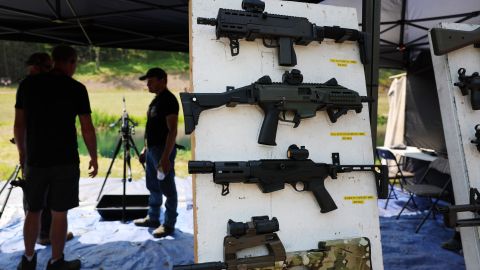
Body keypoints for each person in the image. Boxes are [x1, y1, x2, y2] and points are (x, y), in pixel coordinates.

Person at [14, 45, 98, 270]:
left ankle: (29, 260)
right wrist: (94, 156)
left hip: (36, 160)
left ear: (53, 60)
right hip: (65, 161)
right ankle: (56, 261)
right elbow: (87, 128)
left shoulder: (27, 85)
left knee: (33, 211)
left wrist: (23, 153)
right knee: (59, 214)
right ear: (71, 62)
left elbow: (19, 124)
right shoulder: (76, 88)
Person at [23, 52, 75, 246]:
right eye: (46, 68)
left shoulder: (30, 85)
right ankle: (45, 236)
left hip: (36, 152)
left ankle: (39, 243)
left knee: (37, 203)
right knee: (43, 203)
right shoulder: (34, 86)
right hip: (41, 154)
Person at [133, 67, 179, 238]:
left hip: (163, 151)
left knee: (168, 189)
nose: (148, 84)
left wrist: (166, 157)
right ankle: (153, 218)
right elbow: (152, 128)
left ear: (163, 80)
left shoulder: (169, 100)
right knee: (153, 186)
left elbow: (172, 130)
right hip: (153, 150)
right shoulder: (156, 101)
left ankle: (168, 224)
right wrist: (146, 149)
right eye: (147, 81)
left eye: (151, 80)